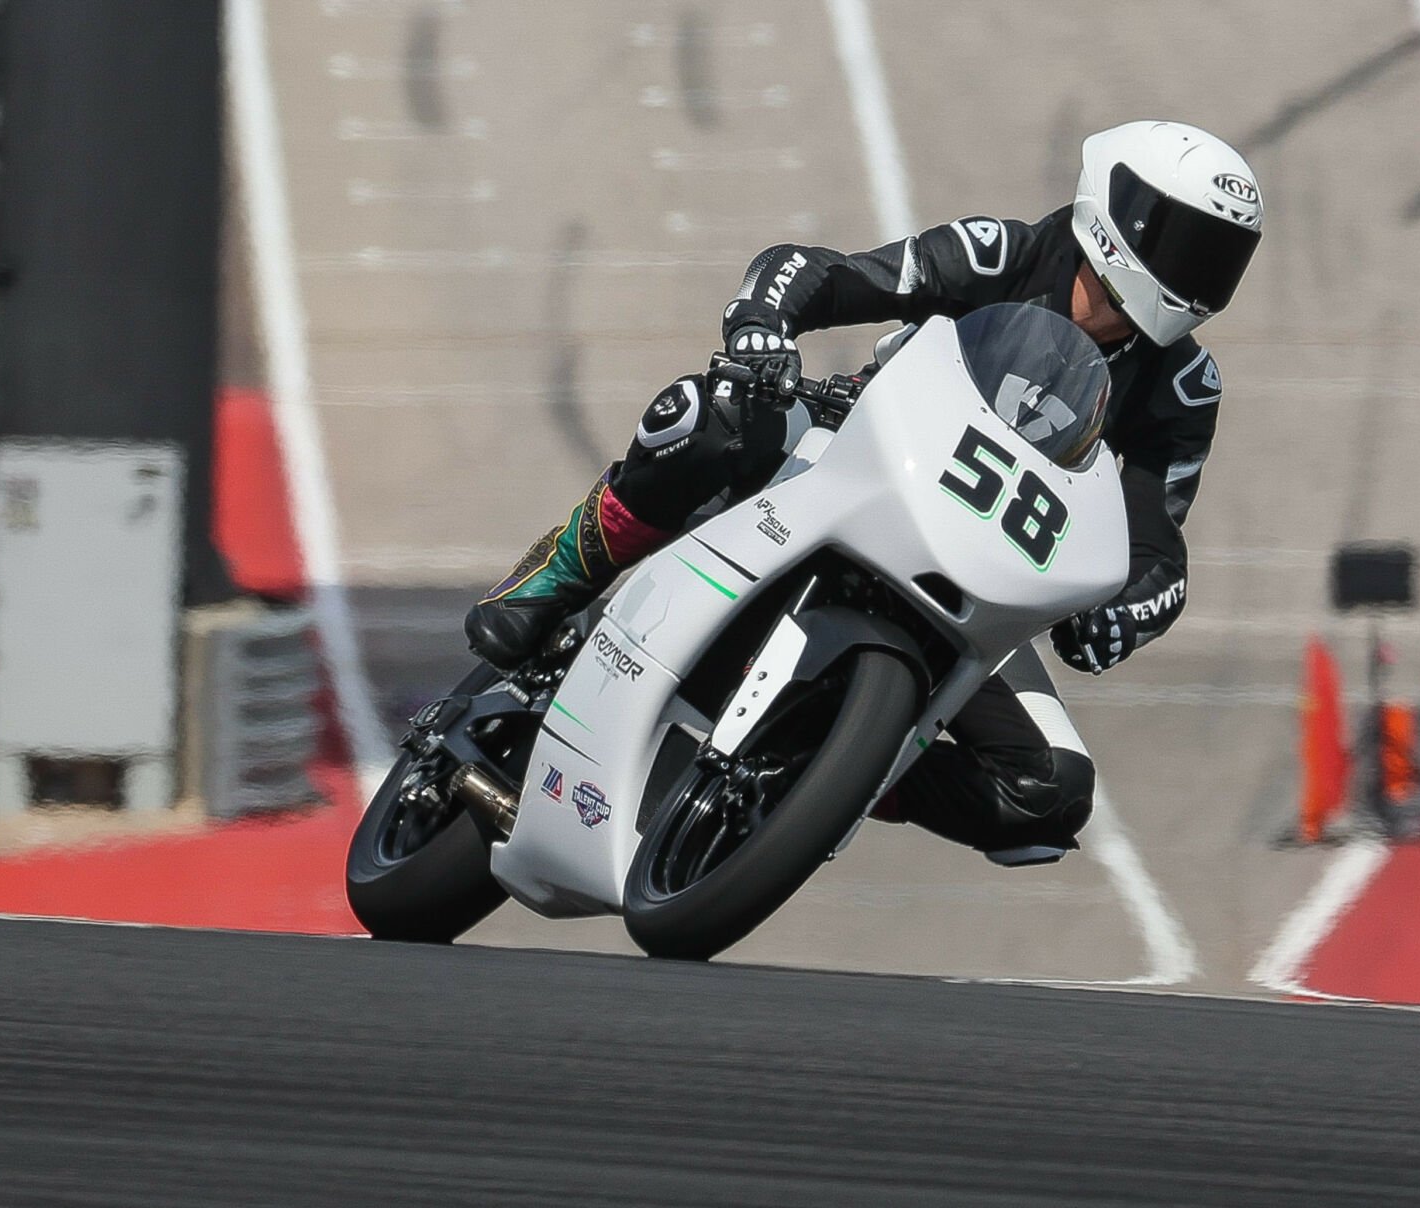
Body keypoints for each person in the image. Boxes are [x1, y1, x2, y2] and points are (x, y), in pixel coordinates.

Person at [465, 121, 1264, 857]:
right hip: (840, 465)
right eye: (1189, 243)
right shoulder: (1004, 253)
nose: (1199, 277)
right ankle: (557, 573)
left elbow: (1157, 538)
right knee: (710, 414)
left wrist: (1131, 610)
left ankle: (822, 770)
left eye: (1221, 258)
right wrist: (761, 331)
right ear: (1121, 213)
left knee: (1051, 793)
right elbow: (823, 274)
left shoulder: (1184, 386)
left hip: (974, 581)